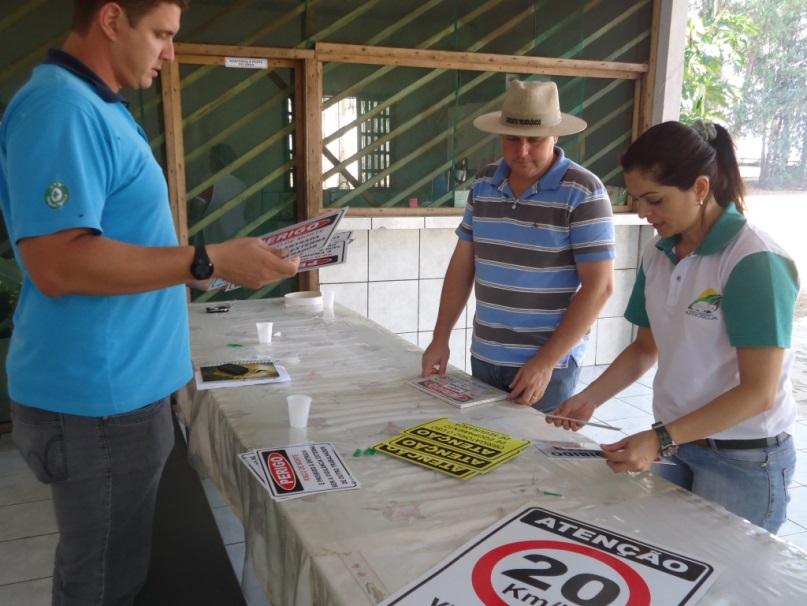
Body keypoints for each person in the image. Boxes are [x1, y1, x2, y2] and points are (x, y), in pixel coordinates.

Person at [0, 1, 299, 603]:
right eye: (161, 34)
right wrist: (203, 259)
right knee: (102, 581)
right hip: (99, 404)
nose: (170, 53)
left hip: (122, 394)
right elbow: (59, 262)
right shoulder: (61, 108)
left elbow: (120, 248)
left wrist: (206, 270)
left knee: (121, 565)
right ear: (112, 19)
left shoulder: (100, 106)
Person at [549, 120, 799, 533]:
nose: (644, 213)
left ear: (700, 188)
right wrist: (589, 398)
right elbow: (646, 348)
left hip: (743, 461)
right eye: (636, 200)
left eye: (655, 200)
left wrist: (660, 438)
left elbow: (759, 392)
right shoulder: (658, 252)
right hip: (680, 446)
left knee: (727, 590)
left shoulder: (753, 261)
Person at [421, 79, 615, 412]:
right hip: (484, 355)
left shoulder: (583, 191)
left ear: (556, 136)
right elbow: (462, 265)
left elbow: (600, 287)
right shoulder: (484, 182)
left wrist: (546, 362)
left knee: (537, 459)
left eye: (535, 140)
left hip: (546, 369)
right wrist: (440, 337)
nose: (521, 151)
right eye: (512, 139)